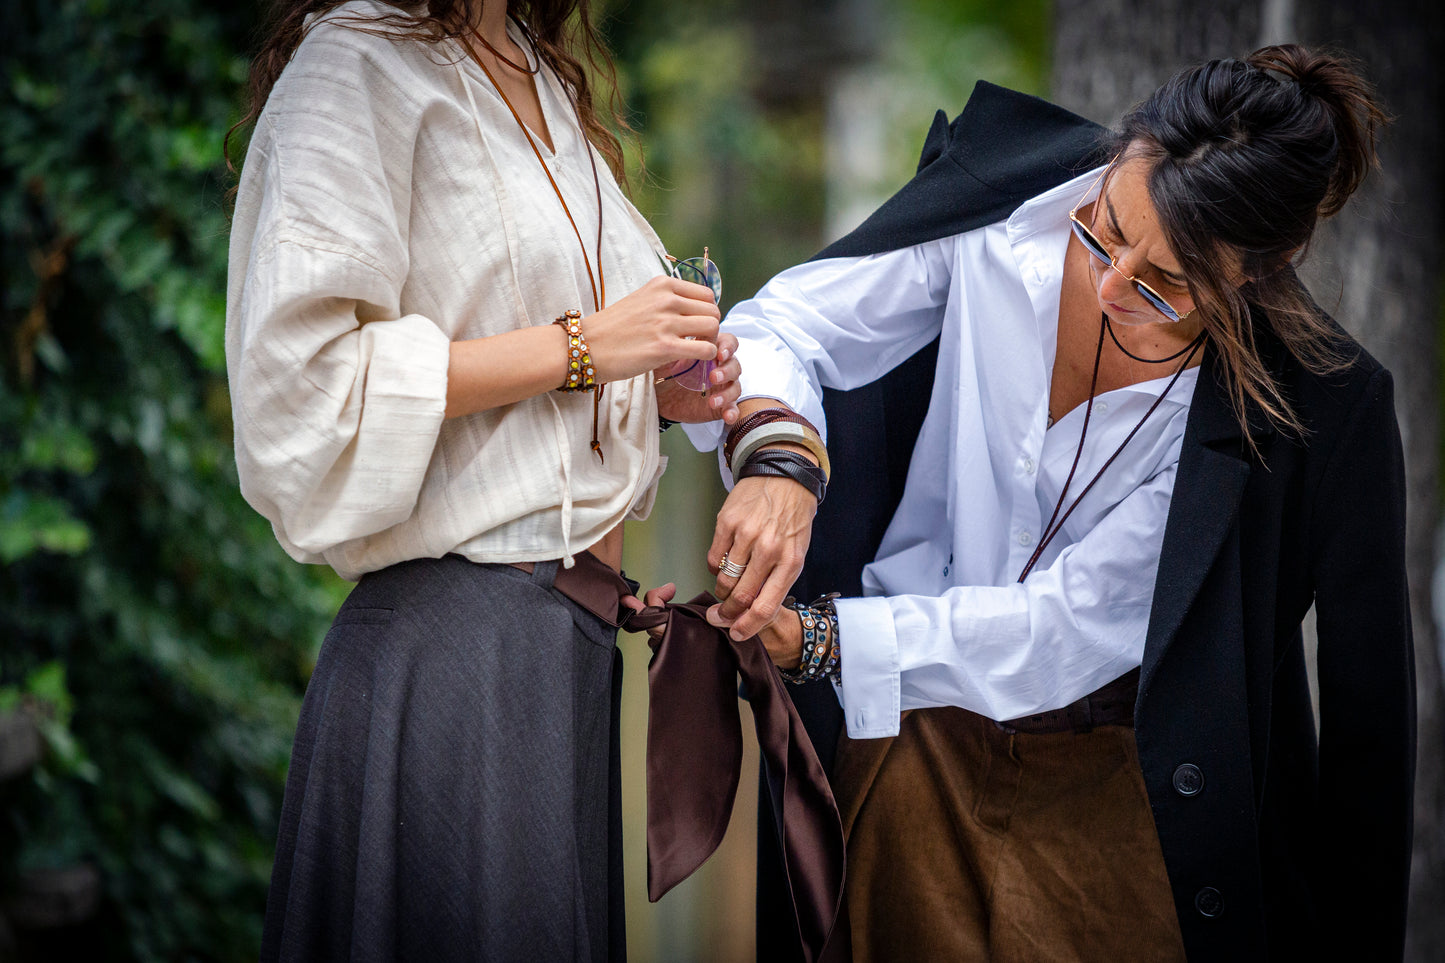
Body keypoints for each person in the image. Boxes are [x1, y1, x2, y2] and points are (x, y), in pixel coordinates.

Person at [679, 45, 1415, 961]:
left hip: (1122, 802)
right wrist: (778, 460)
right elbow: (791, 321)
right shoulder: (1002, 202)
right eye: (1104, 226)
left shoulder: (1313, 404)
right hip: (910, 745)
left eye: (1162, 286)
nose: (1108, 285)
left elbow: (1064, 629)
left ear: (1254, 277)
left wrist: (830, 639)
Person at [225, 1, 742, 959]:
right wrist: (587, 346)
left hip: (564, 655)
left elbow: (538, 398)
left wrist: (660, 391)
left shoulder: (538, 71)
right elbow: (303, 393)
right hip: (458, 659)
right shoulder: (357, 60)